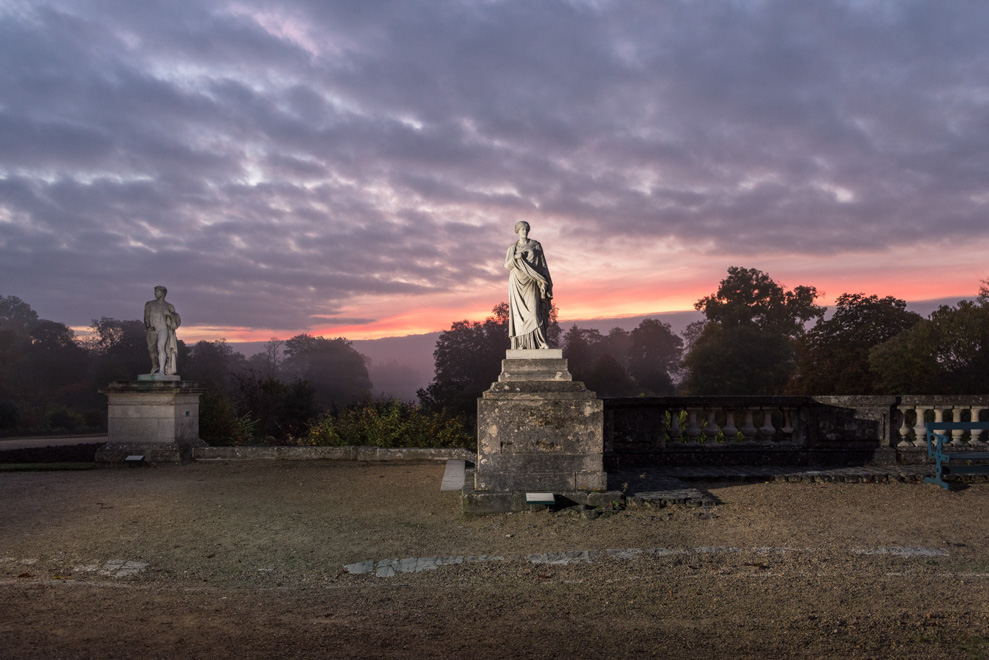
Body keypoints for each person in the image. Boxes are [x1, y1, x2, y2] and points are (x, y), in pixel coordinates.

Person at [504, 221, 553, 349]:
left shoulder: (536, 245)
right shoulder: (512, 248)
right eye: (522, 229)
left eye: (526, 229)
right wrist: (515, 257)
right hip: (516, 283)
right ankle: (522, 344)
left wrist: (544, 281)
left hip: (532, 281)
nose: (524, 231)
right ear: (517, 231)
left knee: (534, 312)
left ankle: (541, 342)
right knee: (519, 316)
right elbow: (507, 266)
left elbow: (543, 266)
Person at [144, 285, 181, 375]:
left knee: (161, 347)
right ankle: (154, 365)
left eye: (157, 291)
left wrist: (169, 314)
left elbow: (175, 320)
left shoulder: (169, 306)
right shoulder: (149, 304)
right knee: (151, 350)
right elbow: (146, 317)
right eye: (155, 291)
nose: (155, 293)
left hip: (163, 328)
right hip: (152, 329)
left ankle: (161, 370)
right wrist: (148, 327)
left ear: (163, 293)